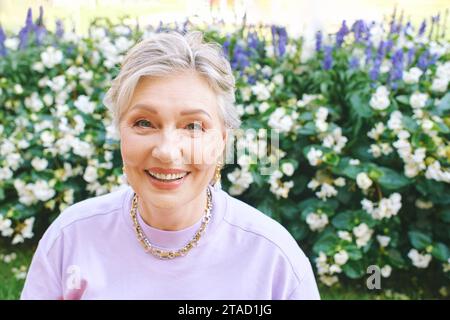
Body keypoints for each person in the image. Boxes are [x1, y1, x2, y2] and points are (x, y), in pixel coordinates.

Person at [21, 31, 320, 300]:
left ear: (221, 142)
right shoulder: (71, 238)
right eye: (144, 123)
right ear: (120, 133)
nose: (165, 151)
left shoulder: (272, 259)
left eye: (193, 126)